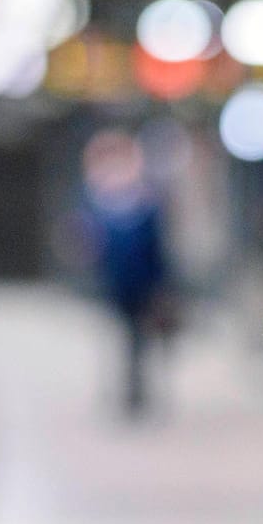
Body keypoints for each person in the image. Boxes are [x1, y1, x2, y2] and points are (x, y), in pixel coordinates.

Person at [80, 127, 168, 417]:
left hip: (142, 286)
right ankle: (127, 389)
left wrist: (162, 286)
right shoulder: (98, 203)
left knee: (139, 341)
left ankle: (137, 390)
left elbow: (157, 250)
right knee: (122, 339)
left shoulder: (146, 203)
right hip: (114, 286)